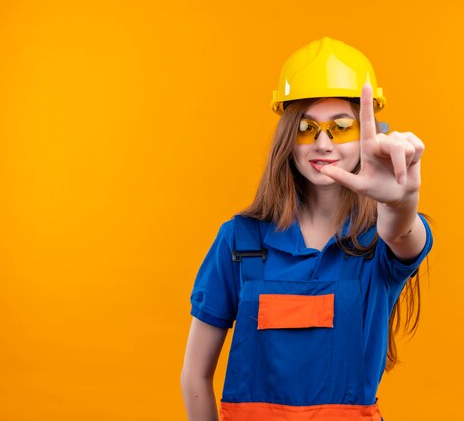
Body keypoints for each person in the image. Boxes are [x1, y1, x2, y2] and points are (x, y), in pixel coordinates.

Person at [180, 37, 434, 421]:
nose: (323, 142)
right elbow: (194, 375)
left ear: (368, 133)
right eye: (306, 127)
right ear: (287, 138)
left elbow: (402, 233)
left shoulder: (379, 243)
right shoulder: (239, 240)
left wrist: (399, 201)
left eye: (342, 127)